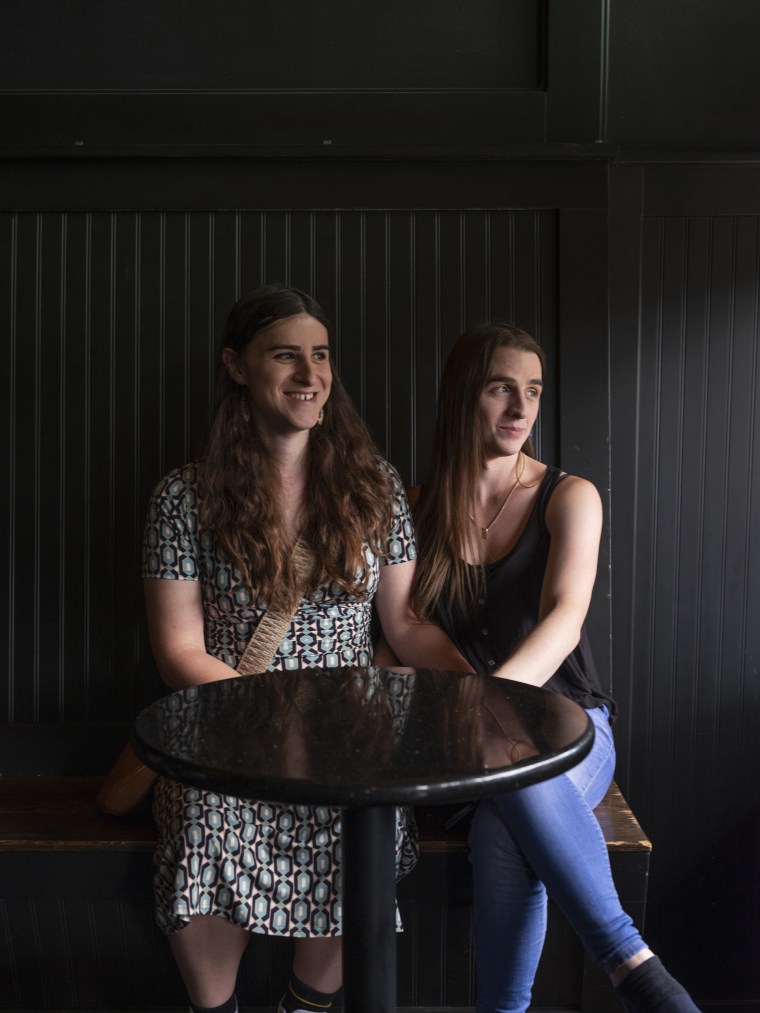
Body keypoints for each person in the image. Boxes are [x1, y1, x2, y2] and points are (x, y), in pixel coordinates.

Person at [141, 284, 465, 1013]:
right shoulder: (183, 498)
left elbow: (406, 624)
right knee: (203, 821)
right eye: (285, 354)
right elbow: (177, 650)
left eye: (319, 355)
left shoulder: (373, 487)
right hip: (223, 733)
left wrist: (489, 687)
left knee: (364, 826)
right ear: (236, 366)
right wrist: (268, 726)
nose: (309, 373)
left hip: (349, 732)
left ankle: (305, 1007)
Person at [404, 322, 700, 1013]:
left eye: (532, 391)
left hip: (569, 724)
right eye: (501, 388)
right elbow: (400, 632)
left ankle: (622, 964)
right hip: (462, 746)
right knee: (500, 821)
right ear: (460, 396)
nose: (520, 408)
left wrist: (489, 704)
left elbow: (565, 619)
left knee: (513, 793)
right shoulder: (415, 512)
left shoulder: (569, 495)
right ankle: (642, 975)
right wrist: (473, 713)